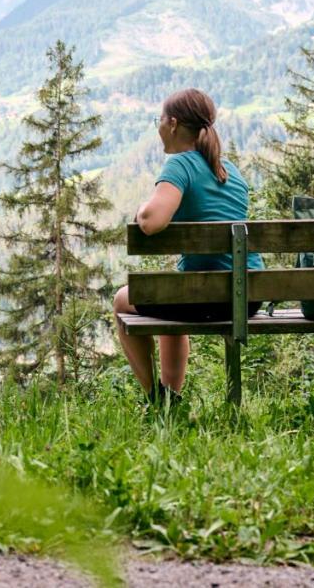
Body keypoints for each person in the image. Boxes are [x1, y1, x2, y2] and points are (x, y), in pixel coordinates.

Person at [112, 88, 265, 404]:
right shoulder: (231, 171)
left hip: (206, 295)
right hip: (247, 295)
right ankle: (171, 396)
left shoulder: (180, 164)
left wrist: (142, 208)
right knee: (170, 297)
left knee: (121, 300)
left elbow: (152, 221)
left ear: (172, 123)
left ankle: (158, 397)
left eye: (159, 120)